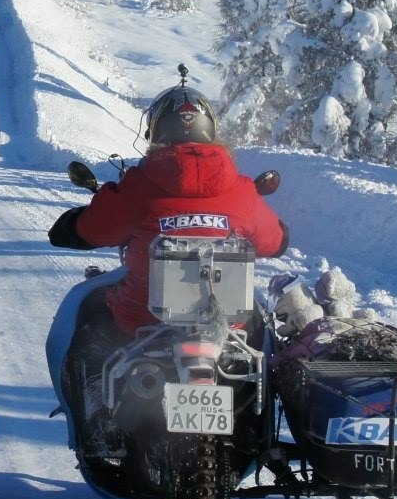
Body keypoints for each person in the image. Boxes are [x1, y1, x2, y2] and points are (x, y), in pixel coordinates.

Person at [47, 80, 287, 458]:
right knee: (265, 336)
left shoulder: (139, 185)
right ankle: (257, 426)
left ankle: (98, 413)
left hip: (142, 322)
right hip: (228, 329)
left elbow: (89, 230)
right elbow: (274, 241)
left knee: (90, 323)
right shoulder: (241, 189)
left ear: (156, 131)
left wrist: (78, 221)